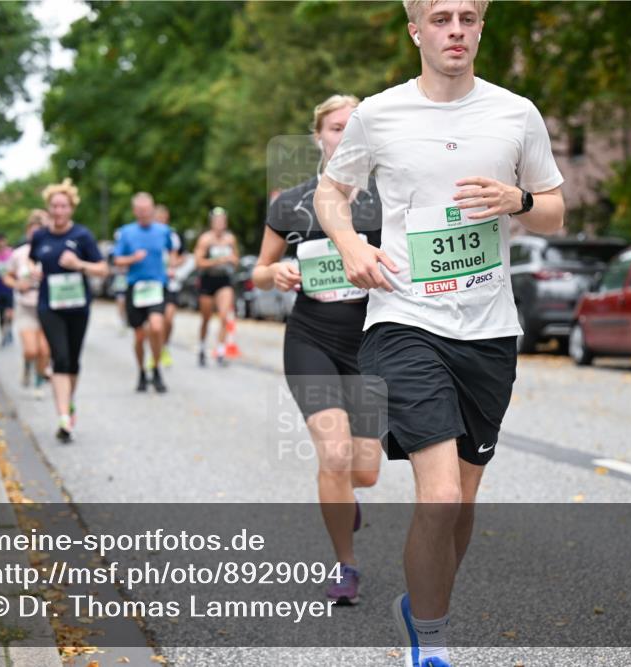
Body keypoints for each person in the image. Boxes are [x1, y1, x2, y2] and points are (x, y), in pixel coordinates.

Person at [315, 2, 565, 665]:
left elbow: (557, 212)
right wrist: (348, 245)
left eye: (467, 17)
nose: (455, 29)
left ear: (481, 28)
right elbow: (330, 191)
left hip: (489, 333)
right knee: (441, 492)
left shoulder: (516, 113)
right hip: (404, 320)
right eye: (440, 17)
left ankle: (422, 608)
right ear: (416, 30)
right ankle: (432, 644)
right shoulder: (380, 113)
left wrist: (523, 202)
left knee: (461, 503)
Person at [253, 94, 384, 606]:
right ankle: (346, 565)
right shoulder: (291, 204)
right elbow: (258, 271)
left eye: (353, 127)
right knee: (333, 455)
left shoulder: (386, 199)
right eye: (335, 127)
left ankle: (344, 497)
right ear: (319, 138)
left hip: (371, 344)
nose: (343, 135)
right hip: (311, 339)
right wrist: (276, 271)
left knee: (364, 473)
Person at [30, 178, 109, 442]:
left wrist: (79, 264)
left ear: (71, 208)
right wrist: (32, 272)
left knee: (73, 360)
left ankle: (68, 400)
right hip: (49, 305)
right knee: (60, 358)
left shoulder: (82, 236)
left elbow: (102, 268)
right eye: (54, 206)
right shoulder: (40, 236)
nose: (59, 211)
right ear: (49, 208)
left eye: (64, 206)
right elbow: (32, 261)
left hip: (78, 306)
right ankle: (64, 418)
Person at [113, 192, 176, 394]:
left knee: (157, 327)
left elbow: (173, 251)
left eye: (147, 210)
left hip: (158, 285)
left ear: (152, 208)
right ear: (135, 212)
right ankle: (141, 371)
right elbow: (117, 260)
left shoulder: (164, 231)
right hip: (136, 288)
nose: (144, 214)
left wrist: (172, 265)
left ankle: (155, 368)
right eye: (140, 211)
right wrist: (133, 258)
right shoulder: (126, 232)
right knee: (140, 336)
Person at [5, 210, 51, 395]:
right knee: (31, 350)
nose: (36, 235)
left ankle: (39, 382)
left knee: (44, 350)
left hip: (47, 305)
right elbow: (7, 276)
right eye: (33, 231)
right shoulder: (18, 254)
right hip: (26, 306)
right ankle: (27, 365)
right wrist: (17, 284)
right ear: (27, 232)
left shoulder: (49, 251)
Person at [194, 206, 239, 366]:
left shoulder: (230, 239)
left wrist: (232, 261)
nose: (220, 224)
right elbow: (198, 262)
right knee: (206, 318)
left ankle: (220, 351)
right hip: (208, 280)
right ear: (212, 223)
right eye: (217, 221)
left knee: (224, 316)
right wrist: (216, 261)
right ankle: (201, 347)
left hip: (224, 280)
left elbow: (236, 260)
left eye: (222, 221)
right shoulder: (205, 239)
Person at [154, 203, 183, 368]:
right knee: (156, 322)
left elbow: (180, 256)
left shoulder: (173, 236)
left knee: (169, 318)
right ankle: (156, 350)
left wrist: (173, 267)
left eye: (162, 218)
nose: (160, 221)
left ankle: (165, 346)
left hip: (170, 283)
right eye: (157, 218)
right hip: (154, 283)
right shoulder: (148, 234)